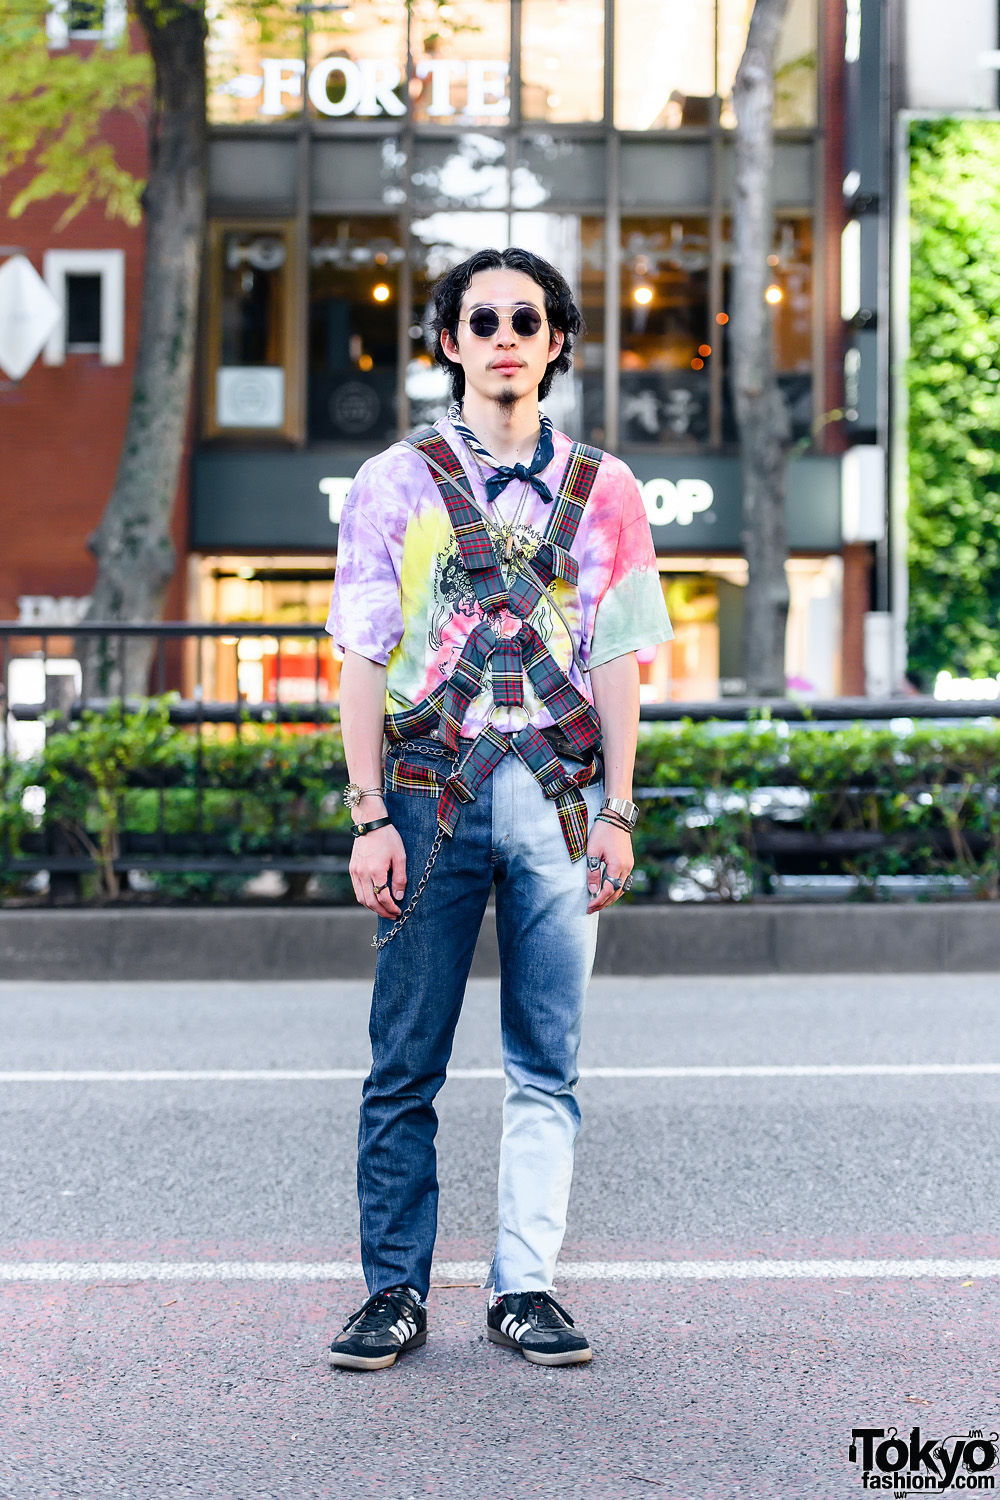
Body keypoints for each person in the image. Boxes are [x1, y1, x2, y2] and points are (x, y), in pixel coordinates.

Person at [325, 246, 672, 1371]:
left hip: (562, 803)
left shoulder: (606, 489)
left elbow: (618, 657)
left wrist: (621, 808)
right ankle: (393, 1292)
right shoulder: (394, 480)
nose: (505, 337)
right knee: (404, 1059)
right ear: (449, 342)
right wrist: (366, 809)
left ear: (557, 340)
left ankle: (524, 1287)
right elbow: (363, 651)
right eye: (483, 320)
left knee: (546, 1061)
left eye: (528, 318)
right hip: (427, 794)